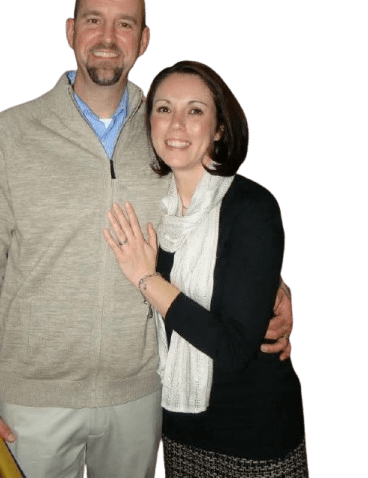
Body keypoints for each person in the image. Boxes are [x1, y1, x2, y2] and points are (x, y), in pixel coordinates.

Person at [0, 0, 293, 478]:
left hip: (141, 395)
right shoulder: (11, 134)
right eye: (94, 20)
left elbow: (209, 222)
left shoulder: (166, 133)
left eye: (125, 24)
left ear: (143, 40)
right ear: (71, 31)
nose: (108, 37)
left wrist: (271, 289)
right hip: (34, 400)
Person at [104, 59, 309, 477]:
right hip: (180, 429)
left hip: (254, 436)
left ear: (219, 128)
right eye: (164, 109)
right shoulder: (155, 209)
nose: (176, 124)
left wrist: (147, 279)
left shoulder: (251, 207)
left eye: (195, 110)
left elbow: (233, 349)